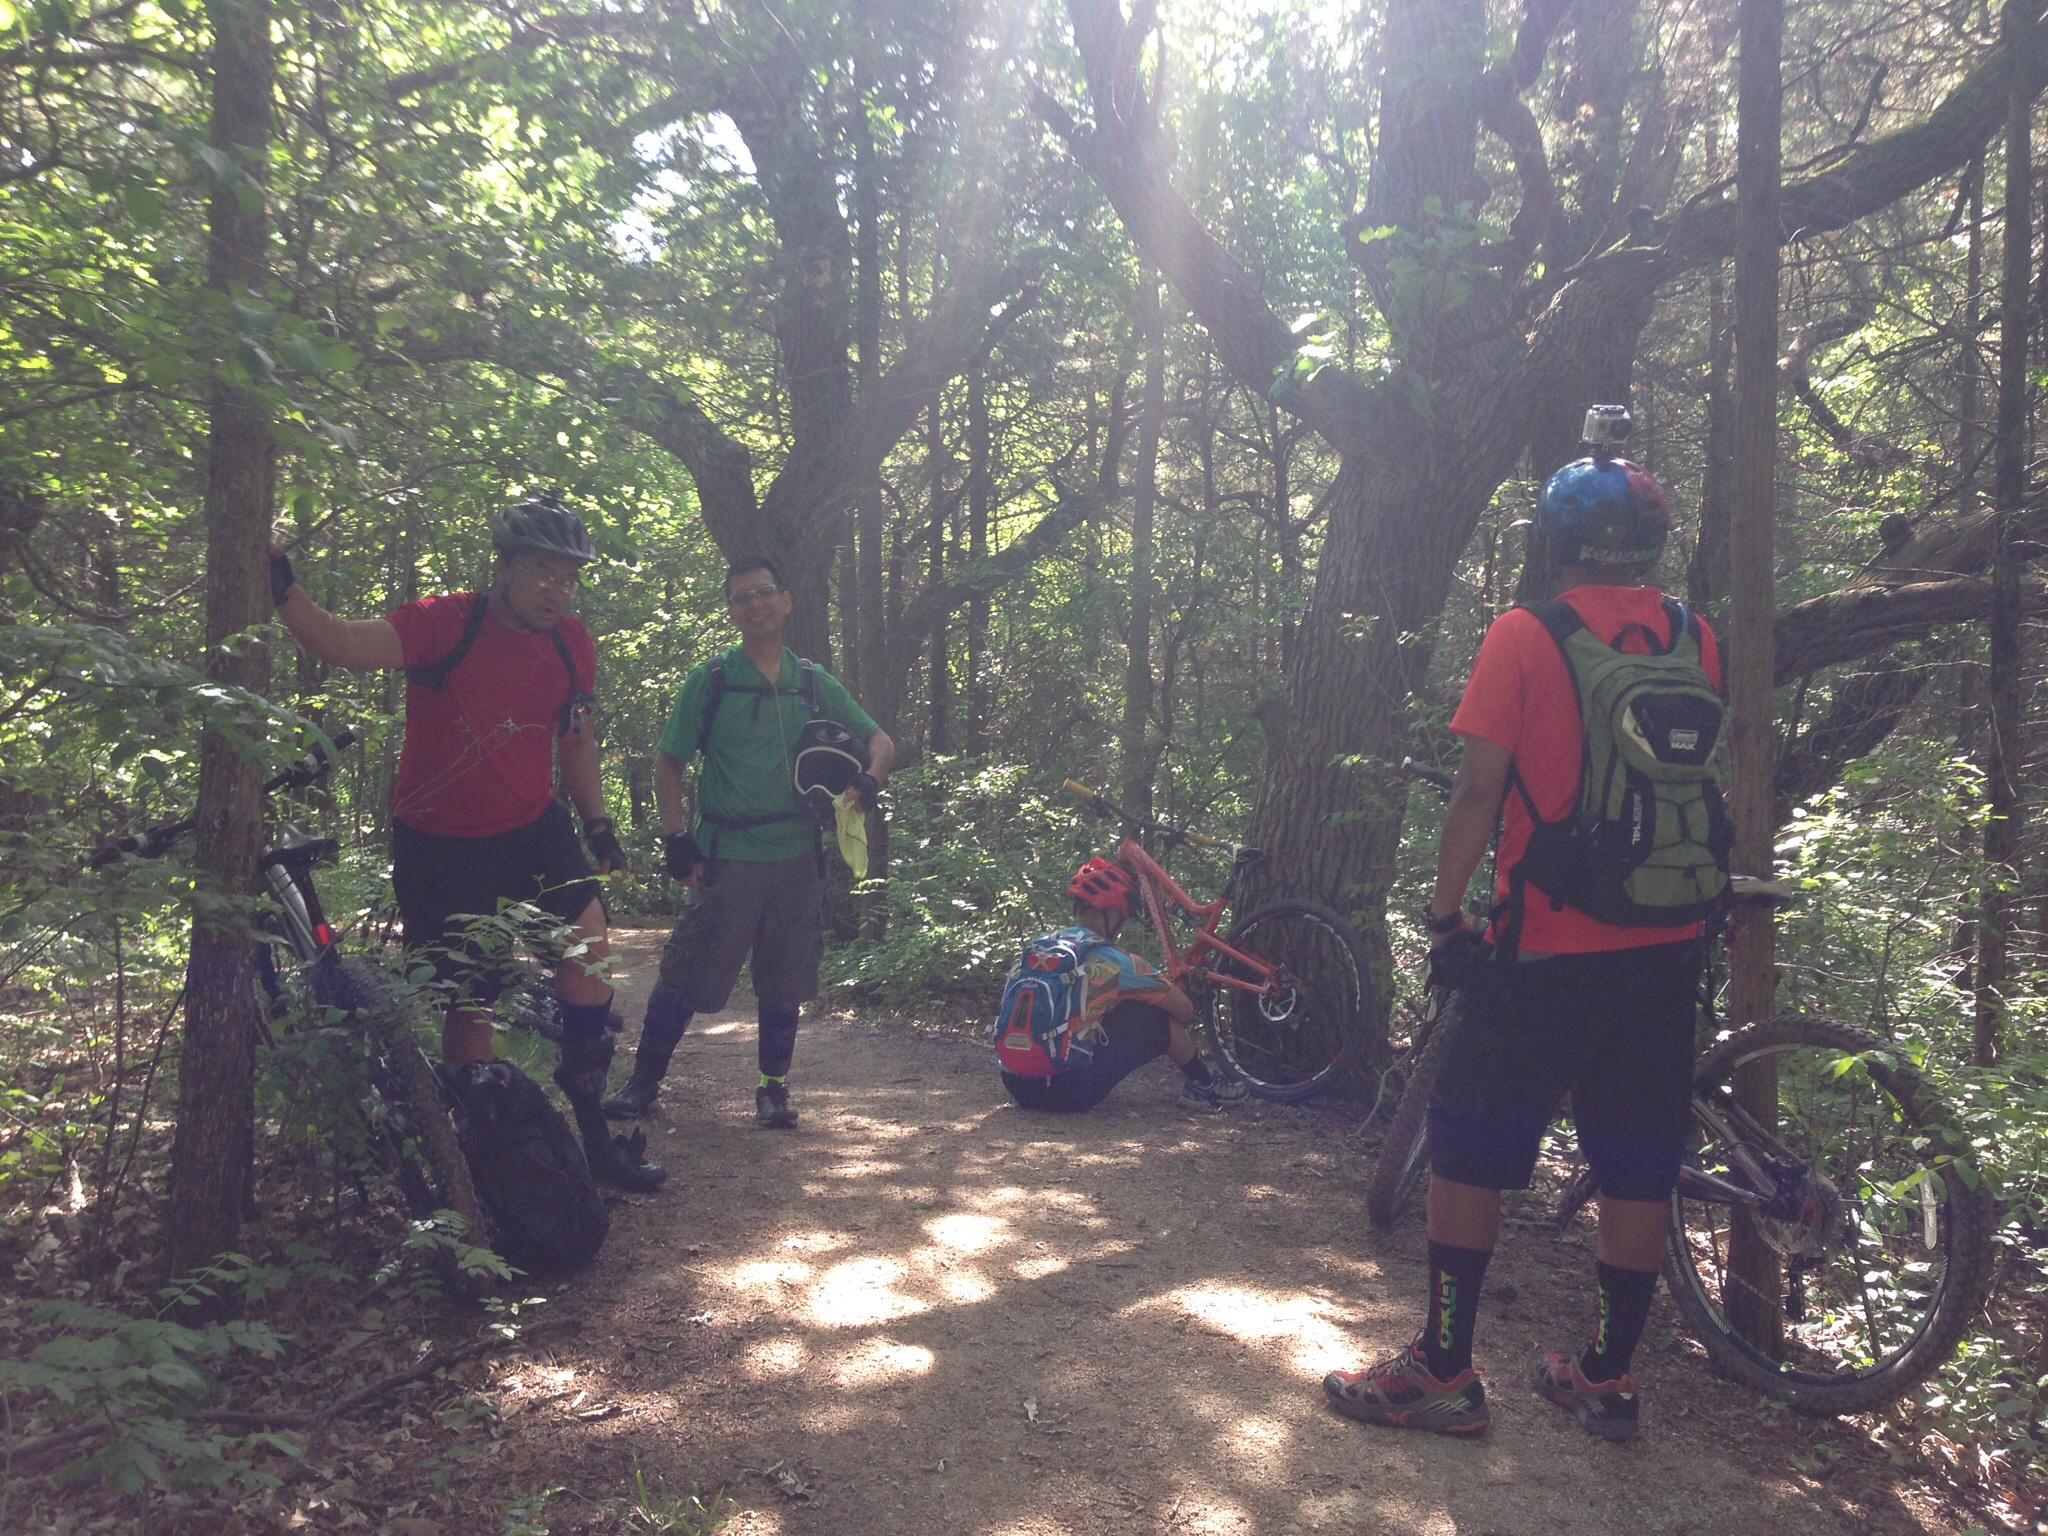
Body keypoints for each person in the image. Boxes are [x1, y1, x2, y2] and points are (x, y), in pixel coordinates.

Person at [1323, 438, 1724, 1442]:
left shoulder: (1522, 634)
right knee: (1634, 1157)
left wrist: (1443, 916)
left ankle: (1443, 1369)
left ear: (1554, 538)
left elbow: (1476, 792)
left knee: (1466, 1148)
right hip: (1666, 938)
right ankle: (1603, 1376)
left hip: (1545, 942)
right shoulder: (1694, 637)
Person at [269, 494, 664, 1192]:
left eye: (569, 577)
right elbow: (344, 643)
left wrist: (600, 825)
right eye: (544, 571)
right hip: (440, 840)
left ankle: (595, 1136)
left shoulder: (571, 642)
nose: (558, 589)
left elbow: (574, 739)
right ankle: (484, 1162)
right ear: (505, 565)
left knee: (591, 949)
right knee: (471, 1001)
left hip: (533, 824)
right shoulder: (446, 622)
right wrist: (281, 582)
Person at [603, 556, 895, 1129]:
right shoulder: (712, 680)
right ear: (732, 612)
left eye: (764, 593)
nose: (755, 604)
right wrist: (676, 839)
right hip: (727, 856)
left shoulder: (813, 683)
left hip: (797, 857)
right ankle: (643, 1084)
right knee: (687, 973)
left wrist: (869, 781)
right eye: (742, 597)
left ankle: (773, 1091)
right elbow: (668, 762)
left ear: (787, 602)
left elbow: (879, 741)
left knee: (784, 981)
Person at [997, 858, 1248, 1113]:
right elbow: (1183, 1009)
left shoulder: (1038, 947)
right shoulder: (1117, 962)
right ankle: (1204, 1086)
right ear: (1112, 913)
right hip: (1068, 1092)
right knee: (1155, 1016)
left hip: (1016, 1083)